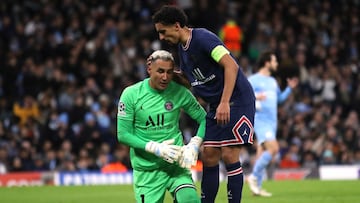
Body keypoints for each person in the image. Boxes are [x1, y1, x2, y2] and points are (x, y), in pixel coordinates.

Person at [152, 5, 256, 203]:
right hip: (217, 104)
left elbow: (231, 65)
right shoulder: (182, 51)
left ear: (176, 26)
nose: (161, 38)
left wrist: (225, 101)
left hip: (236, 100)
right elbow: (192, 82)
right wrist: (165, 71)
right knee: (208, 154)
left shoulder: (202, 38)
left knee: (229, 153)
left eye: (162, 32)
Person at [117, 50, 207, 203]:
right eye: (160, 71)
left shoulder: (179, 92)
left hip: (176, 166)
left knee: (190, 199)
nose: (165, 77)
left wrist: (195, 144)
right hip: (147, 170)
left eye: (169, 72)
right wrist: (155, 148)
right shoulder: (131, 94)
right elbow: (123, 135)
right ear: (149, 67)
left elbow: (205, 119)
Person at [247, 51, 299, 197]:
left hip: (272, 121)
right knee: (274, 148)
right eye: (274, 61)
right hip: (261, 120)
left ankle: (256, 188)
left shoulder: (272, 81)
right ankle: (253, 177)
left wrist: (289, 89)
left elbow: (279, 100)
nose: (276, 64)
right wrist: (256, 96)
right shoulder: (253, 80)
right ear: (267, 62)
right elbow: (243, 96)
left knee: (262, 153)